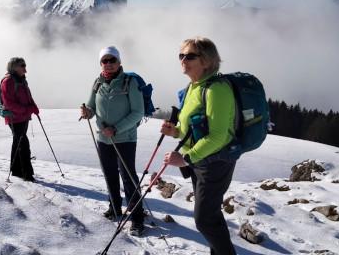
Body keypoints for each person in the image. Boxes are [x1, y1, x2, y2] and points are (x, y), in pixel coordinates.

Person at [161, 37, 237, 255]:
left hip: (215, 162)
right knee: (210, 216)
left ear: (206, 61)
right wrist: (174, 132)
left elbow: (217, 137)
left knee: (204, 220)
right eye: (181, 55)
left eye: (190, 55)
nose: (183, 59)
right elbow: (193, 130)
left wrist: (185, 158)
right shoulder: (194, 86)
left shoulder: (216, 90)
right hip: (199, 160)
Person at [80, 46, 145, 236]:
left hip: (125, 138)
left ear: (119, 62)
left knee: (128, 177)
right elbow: (91, 106)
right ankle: (114, 208)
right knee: (109, 173)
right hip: (103, 138)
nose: (108, 64)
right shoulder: (97, 83)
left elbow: (138, 112)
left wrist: (115, 129)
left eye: (112, 60)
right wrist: (87, 113)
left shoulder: (129, 82)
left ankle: (137, 218)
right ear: (101, 63)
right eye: (104, 61)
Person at [1, 57, 39, 182]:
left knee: (18, 142)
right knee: (23, 144)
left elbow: (28, 96)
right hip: (14, 118)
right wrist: (27, 110)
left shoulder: (21, 80)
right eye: (22, 66)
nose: (25, 69)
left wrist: (33, 107)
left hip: (22, 117)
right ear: (14, 67)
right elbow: (8, 104)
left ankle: (16, 170)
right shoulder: (8, 82)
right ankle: (26, 174)